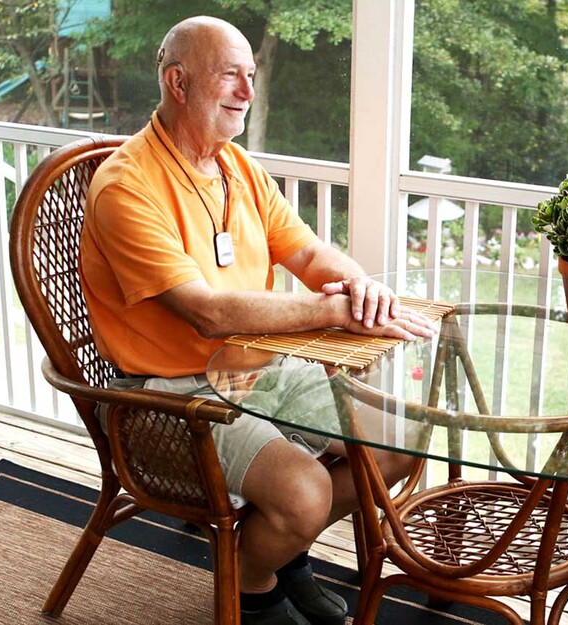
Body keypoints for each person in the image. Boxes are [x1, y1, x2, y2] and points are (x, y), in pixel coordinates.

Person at [79, 16, 437, 625]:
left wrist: (359, 283)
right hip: (163, 395)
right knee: (305, 491)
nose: (247, 92)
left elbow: (306, 253)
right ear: (178, 82)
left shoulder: (238, 168)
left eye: (251, 76)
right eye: (229, 76)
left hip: (252, 370)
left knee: (399, 445)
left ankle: (274, 547)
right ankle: (253, 578)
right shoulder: (127, 186)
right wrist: (330, 311)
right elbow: (208, 312)